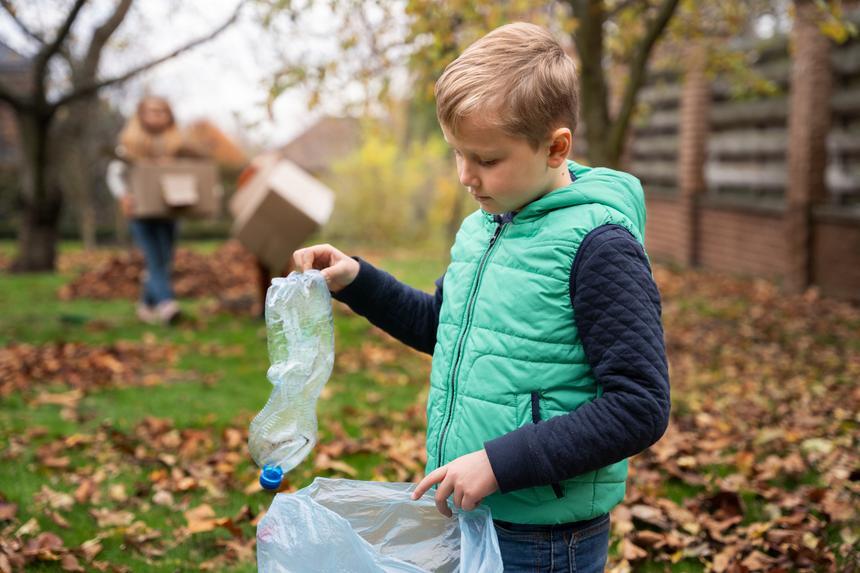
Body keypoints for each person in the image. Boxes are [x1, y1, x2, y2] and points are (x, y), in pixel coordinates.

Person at [293, 22, 670, 572]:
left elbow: (639, 405)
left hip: (544, 537)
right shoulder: (485, 227)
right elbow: (438, 325)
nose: (467, 176)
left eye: (487, 159)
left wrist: (499, 463)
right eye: (457, 154)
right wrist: (357, 280)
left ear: (555, 147)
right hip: (475, 513)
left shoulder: (600, 247)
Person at [108, 95, 185, 324]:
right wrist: (123, 196)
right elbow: (114, 174)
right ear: (141, 114)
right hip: (140, 212)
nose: (157, 115)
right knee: (154, 258)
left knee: (164, 258)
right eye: (151, 110)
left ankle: (145, 305)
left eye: (162, 110)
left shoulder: (176, 145)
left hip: (169, 211)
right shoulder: (129, 145)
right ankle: (167, 304)